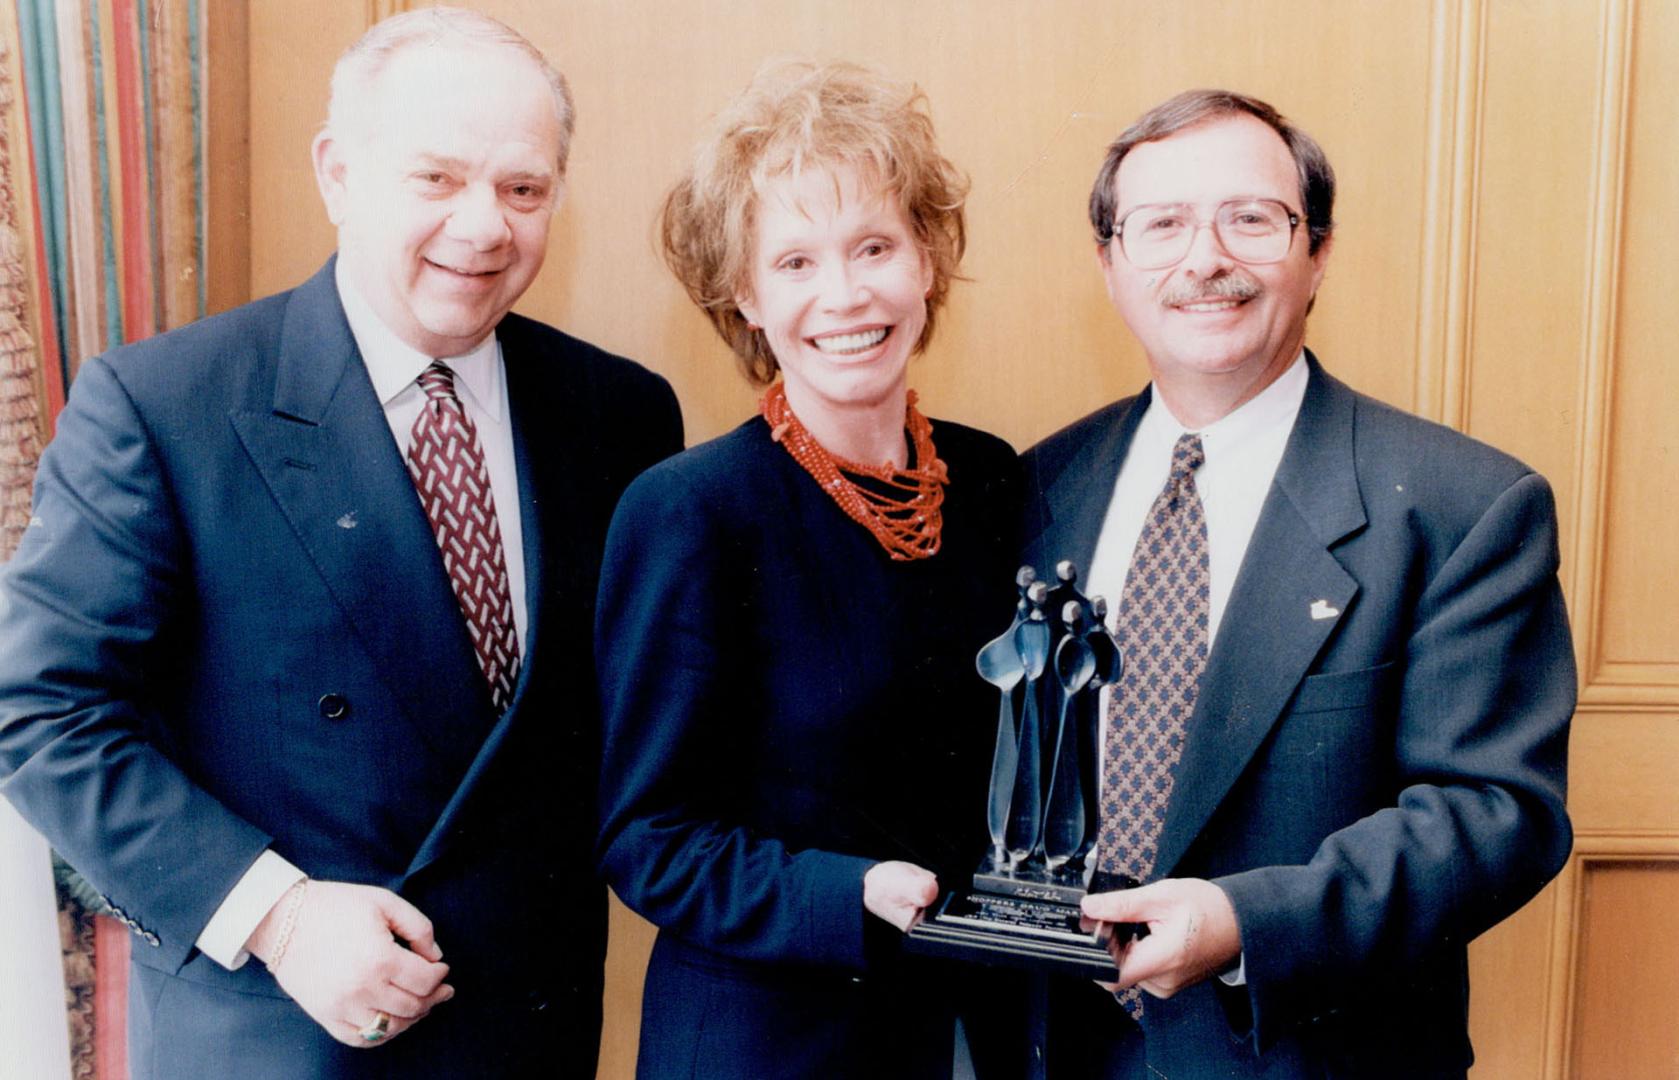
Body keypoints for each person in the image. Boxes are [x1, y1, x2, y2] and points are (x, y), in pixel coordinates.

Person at [0, 8, 681, 1077]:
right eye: (436, 179)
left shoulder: (620, 413)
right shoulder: (166, 403)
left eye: (523, 188)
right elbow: (40, 709)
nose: (483, 226)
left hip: (530, 1033)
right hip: (280, 1030)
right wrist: (278, 917)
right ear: (337, 172)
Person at [1020, 89, 1574, 1077]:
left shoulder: (1460, 506)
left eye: (1249, 220)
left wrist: (1241, 921)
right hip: (1053, 1049)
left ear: (1316, 251)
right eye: (1161, 226)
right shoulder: (1031, 489)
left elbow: (1495, 812)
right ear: (1106, 264)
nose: (1204, 260)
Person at [595, 61, 1019, 1079]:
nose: (844, 295)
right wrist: (844, 894)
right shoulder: (692, 511)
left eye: (873, 245)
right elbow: (647, 837)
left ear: (926, 257)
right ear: (743, 295)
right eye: (793, 263)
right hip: (770, 1044)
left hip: (972, 1035)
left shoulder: (996, 480)